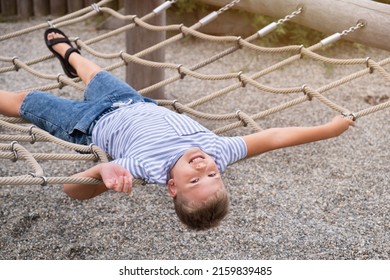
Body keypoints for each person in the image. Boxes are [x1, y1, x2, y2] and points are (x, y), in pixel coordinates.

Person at [0, 28, 354, 230]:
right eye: (212, 174)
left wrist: (103, 168)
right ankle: (68, 53)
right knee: (93, 73)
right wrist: (328, 129)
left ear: (171, 186)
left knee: (24, 100)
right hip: (133, 101)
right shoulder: (221, 151)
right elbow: (275, 138)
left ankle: (66, 57)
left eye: (194, 180)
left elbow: (71, 190)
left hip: (86, 123)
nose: (203, 168)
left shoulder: (146, 168)